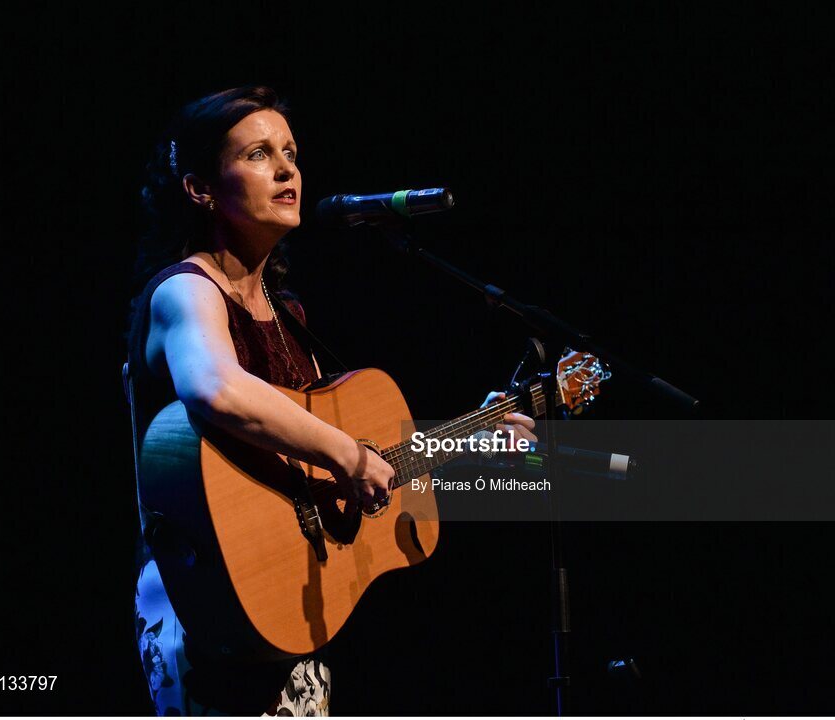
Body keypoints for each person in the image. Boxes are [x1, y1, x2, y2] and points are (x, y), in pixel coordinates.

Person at [126, 86, 537, 716]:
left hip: (286, 605)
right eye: (259, 154)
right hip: (205, 600)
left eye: (290, 151)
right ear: (200, 188)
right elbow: (216, 387)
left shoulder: (290, 317)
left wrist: (473, 442)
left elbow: (337, 479)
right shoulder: (185, 291)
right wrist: (349, 453)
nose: (288, 169)